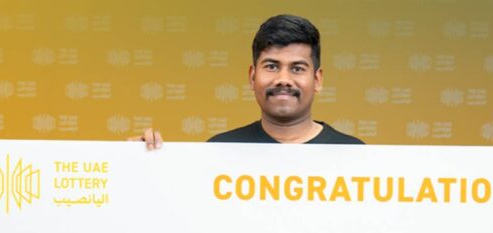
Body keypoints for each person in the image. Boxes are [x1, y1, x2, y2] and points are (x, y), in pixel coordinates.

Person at [131, 14, 364, 148]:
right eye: (271, 66)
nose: (284, 80)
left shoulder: (354, 154)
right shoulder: (220, 150)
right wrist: (136, 162)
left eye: (297, 68)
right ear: (252, 77)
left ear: (317, 79)